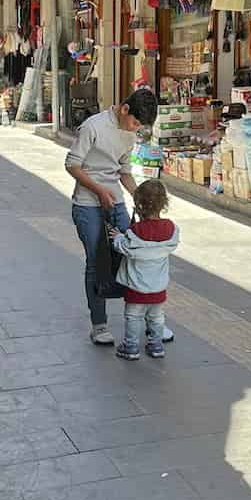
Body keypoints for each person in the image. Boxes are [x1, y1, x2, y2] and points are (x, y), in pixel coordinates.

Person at [65, 88, 159, 345]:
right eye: (135, 123)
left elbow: (124, 171)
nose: (135, 129)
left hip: (115, 201)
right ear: (125, 109)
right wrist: (98, 190)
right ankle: (99, 324)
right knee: (97, 262)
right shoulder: (92, 127)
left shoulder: (129, 134)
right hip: (87, 204)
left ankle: (150, 322)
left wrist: (141, 197)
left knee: (135, 255)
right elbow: (71, 164)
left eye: (140, 127)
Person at [110, 179, 179, 360]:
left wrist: (117, 237)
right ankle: (156, 346)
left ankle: (131, 347)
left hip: (136, 286)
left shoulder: (135, 231)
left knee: (133, 316)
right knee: (156, 317)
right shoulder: (171, 229)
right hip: (158, 286)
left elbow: (123, 247)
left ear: (138, 205)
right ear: (164, 203)